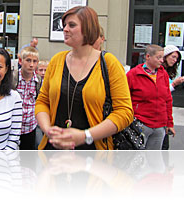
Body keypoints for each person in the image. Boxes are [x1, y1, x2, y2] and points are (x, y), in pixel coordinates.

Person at [35, 6, 133, 150]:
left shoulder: (109, 63)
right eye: (65, 25)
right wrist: (48, 130)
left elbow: (124, 112)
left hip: (93, 155)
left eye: (72, 25)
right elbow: (42, 100)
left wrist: (85, 135)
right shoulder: (57, 60)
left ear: (88, 28)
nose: (65, 29)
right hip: (53, 151)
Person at [127, 44, 174, 150]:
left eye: (162, 57)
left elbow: (168, 100)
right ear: (148, 57)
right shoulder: (133, 74)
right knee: (137, 158)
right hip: (140, 123)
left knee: (155, 160)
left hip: (159, 126)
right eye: (159, 57)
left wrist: (169, 123)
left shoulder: (163, 74)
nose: (162, 60)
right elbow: (124, 98)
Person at [13, 46, 42, 150]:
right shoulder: (13, 78)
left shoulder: (38, 81)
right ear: (20, 61)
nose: (31, 65)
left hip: (30, 127)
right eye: (28, 60)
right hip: (14, 127)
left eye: (34, 61)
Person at [161, 45, 184, 149]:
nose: (175, 60)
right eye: (173, 57)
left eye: (176, 58)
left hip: (164, 113)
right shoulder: (160, 71)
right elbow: (161, 93)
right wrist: (174, 84)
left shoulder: (168, 71)